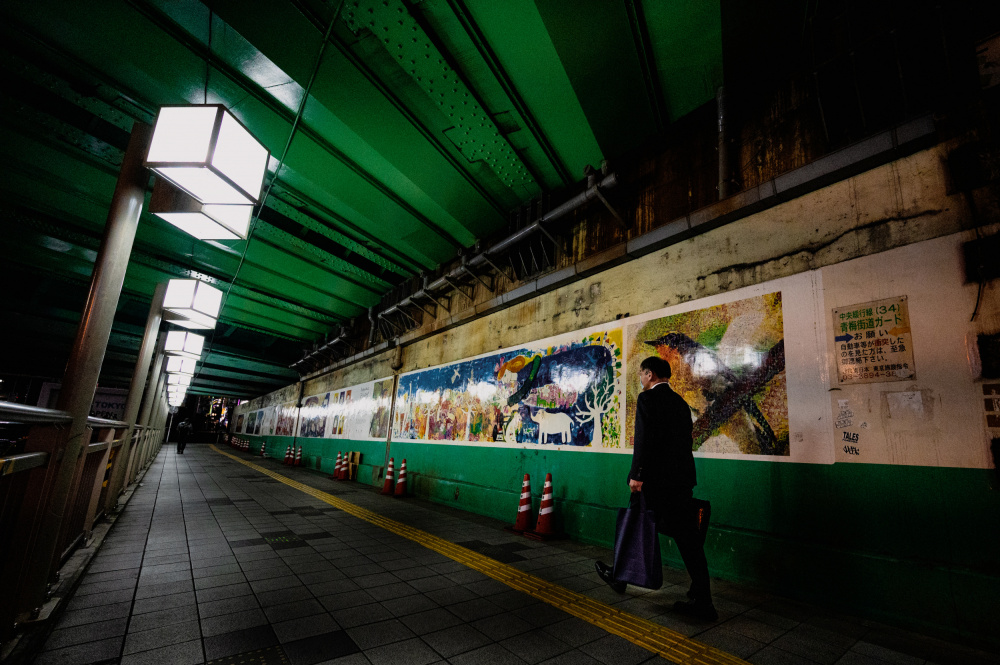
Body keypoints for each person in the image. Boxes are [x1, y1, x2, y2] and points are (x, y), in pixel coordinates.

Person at [595, 356, 716, 621]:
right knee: (688, 538)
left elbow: (643, 439)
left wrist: (637, 474)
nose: (640, 378)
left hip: (653, 481)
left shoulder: (647, 399)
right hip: (681, 480)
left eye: (641, 374)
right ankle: (702, 597)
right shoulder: (681, 404)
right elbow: (684, 443)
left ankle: (619, 577)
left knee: (634, 522)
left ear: (649, 374)